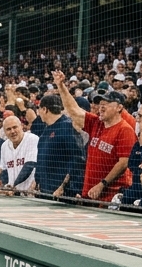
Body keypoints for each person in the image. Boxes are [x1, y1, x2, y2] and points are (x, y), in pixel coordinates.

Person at [55, 72, 134, 203]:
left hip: (112, 195)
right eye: (100, 104)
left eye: (106, 104)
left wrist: (102, 184)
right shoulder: (96, 123)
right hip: (91, 192)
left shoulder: (125, 129)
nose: (101, 108)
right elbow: (73, 110)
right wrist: (61, 86)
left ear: (119, 107)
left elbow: (124, 163)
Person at [33, 96, 84, 197]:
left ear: (45, 109)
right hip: (45, 190)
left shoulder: (68, 127)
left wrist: (64, 186)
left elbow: (78, 159)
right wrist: (37, 181)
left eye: (39, 109)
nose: (38, 113)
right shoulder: (46, 130)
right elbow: (40, 159)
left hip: (63, 193)